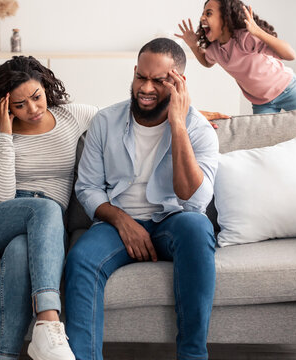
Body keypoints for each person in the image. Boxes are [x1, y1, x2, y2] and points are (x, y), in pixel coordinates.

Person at [65, 38, 219, 360]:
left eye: (158, 80)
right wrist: (123, 222)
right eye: (140, 77)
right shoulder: (105, 122)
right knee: (81, 260)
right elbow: (88, 188)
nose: (145, 88)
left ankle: (193, 356)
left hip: (172, 221)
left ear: (178, 82)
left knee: (197, 227)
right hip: (117, 222)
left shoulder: (199, 130)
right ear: (134, 73)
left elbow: (195, 200)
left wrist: (178, 124)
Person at [0, 55, 98, 360]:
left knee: (19, 251)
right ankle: (49, 321)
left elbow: (123, 118)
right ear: (5, 107)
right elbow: (2, 196)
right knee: (45, 209)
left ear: (46, 87)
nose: (32, 109)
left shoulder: (72, 117)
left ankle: (4, 354)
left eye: (36, 97)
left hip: (44, 228)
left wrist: (186, 114)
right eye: (19, 105)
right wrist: (5, 133)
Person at [177, 0, 296, 140]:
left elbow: (290, 54)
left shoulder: (245, 38)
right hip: (262, 103)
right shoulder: (215, 49)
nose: (202, 18)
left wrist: (257, 32)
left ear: (225, 17)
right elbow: (206, 62)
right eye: (203, 13)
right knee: (264, 141)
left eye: (208, 13)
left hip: (287, 89)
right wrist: (193, 45)